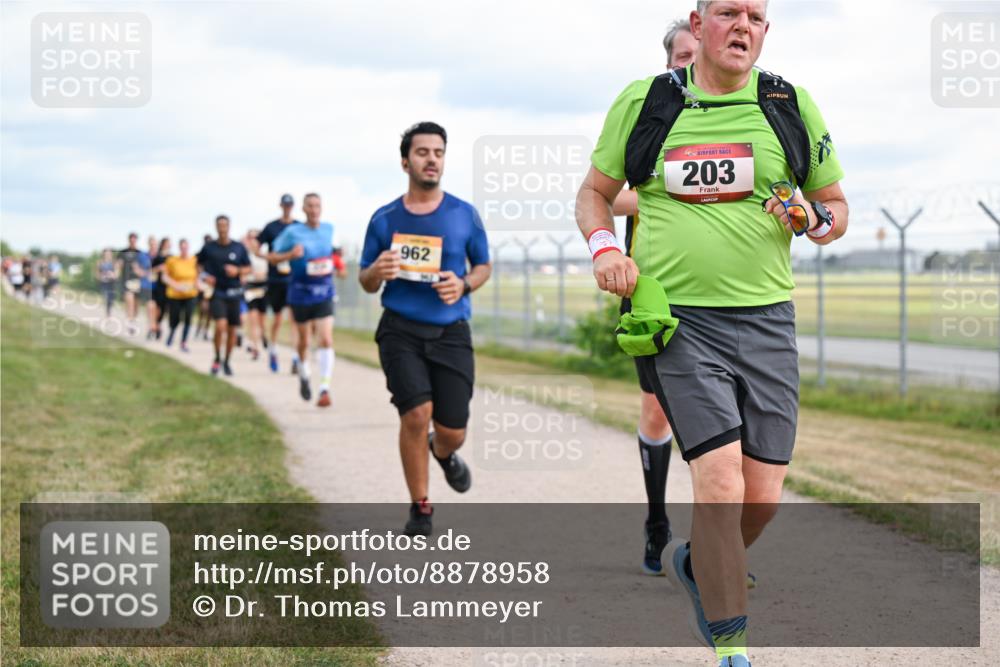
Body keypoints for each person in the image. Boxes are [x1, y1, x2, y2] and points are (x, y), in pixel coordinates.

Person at [577, 2, 848, 665]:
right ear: (698, 27)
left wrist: (810, 213)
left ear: (765, 31)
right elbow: (593, 192)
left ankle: (698, 562)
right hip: (680, 320)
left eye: (755, 16)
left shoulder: (789, 103)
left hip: (767, 320)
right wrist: (606, 249)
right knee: (720, 481)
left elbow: (836, 210)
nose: (742, 26)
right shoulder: (647, 103)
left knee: (763, 495)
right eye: (728, 12)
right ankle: (732, 646)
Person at [359, 122, 492, 537]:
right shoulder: (384, 219)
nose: (431, 159)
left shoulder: (463, 214)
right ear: (405, 161)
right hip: (400, 330)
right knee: (415, 414)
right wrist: (375, 271)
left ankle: (443, 451)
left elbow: (483, 266)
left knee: (453, 430)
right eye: (422, 152)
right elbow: (365, 280)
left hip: (451, 331)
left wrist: (465, 283)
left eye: (438, 152)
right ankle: (421, 507)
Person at [611, 16, 698, 577]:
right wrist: (670, 194)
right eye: (680, 57)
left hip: (726, 294)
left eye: (695, 55)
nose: (689, 65)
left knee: (728, 423)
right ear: (668, 63)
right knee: (658, 410)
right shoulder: (651, 114)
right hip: (654, 293)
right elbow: (608, 195)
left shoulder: (745, 114)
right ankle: (657, 519)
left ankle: (719, 545)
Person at [268, 194, 346, 407]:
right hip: (300, 294)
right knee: (303, 342)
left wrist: (339, 263)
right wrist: (289, 255)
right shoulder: (293, 232)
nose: (314, 210)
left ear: (321, 208)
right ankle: (304, 373)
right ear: (303, 209)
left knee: (326, 339)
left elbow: (336, 254)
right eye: (310, 206)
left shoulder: (329, 229)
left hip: (324, 292)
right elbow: (273, 256)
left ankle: (324, 388)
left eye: (317, 206)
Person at [197, 216, 251, 376]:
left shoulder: (238, 247)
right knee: (220, 326)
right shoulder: (209, 247)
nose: (222, 228)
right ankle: (217, 357)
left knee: (232, 331)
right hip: (217, 292)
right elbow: (198, 265)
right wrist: (205, 276)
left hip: (234, 292)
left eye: (225, 225)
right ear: (216, 227)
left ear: (229, 227)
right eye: (219, 225)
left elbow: (248, 268)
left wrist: (238, 271)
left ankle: (227, 360)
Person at [257, 194, 302, 374]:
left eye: (290, 205)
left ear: (293, 206)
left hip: (293, 278)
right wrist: (269, 258)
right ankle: (273, 350)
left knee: (294, 320)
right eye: (285, 205)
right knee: (277, 319)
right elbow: (256, 246)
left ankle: (295, 357)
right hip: (276, 279)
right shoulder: (271, 227)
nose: (287, 207)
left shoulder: (299, 227)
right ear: (280, 206)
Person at [163, 238, 200, 351]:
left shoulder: (194, 260)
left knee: (188, 317)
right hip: (175, 294)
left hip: (190, 293)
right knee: (175, 317)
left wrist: (198, 284)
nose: (184, 249)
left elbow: (198, 275)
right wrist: (175, 285)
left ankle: (183, 342)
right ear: (179, 248)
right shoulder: (172, 260)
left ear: (188, 247)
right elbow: (165, 276)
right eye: (182, 247)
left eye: (186, 247)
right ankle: (172, 333)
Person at [243, 229, 269, 361]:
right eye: (250, 238)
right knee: (252, 320)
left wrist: (262, 276)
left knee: (262, 322)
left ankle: (263, 336)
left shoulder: (264, 255)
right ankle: (255, 347)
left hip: (263, 289)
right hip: (250, 289)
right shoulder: (245, 256)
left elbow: (269, 272)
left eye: (255, 238)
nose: (253, 240)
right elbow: (242, 272)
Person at [117, 233, 145, 335]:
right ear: (129, 240)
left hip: (137, 282)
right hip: (126, 281)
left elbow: (144, 268)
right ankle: (130, 323)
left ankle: (133, 320)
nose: (132, 241)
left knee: (136, 305)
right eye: (131, 239)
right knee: (129, 301)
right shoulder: (123, 252)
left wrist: (139, 270)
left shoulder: (140, 253)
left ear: (136, 240)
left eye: (134, 239)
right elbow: (118, 265)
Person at [150, 237, 171, 340]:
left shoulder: (172, 257)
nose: (168, 245)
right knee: (157, 307)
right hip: (159, 286)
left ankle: (157, 324)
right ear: (162, 245)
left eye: (169, 244)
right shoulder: (157, 257)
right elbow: (151, 271)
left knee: (164, 309)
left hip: (169, 287)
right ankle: (156, 327)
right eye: (166, 243)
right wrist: (159, 268)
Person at [141, 235, 157, 338]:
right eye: (151, 244)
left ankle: (155, 325)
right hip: (147, 285)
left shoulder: (160, 257)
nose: (152, 246)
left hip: (158, 286)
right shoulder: (143, 256)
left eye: (154, 244)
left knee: (157, 308)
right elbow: (138, 269)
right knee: (150, 306)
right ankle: (151, 326)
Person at [95, 249, 118, 317]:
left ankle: (108, 312)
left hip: (111, 283)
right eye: (106, 253)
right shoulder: (99, 262)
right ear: (103, 254)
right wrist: (100, 277)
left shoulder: (114, 263)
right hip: (103, 283)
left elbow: (117, 273)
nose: (107, 255)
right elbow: (97, 273)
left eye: (109, 253)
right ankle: (107, 313)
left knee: (111, 299)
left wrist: (112, 275)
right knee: (106, 296)